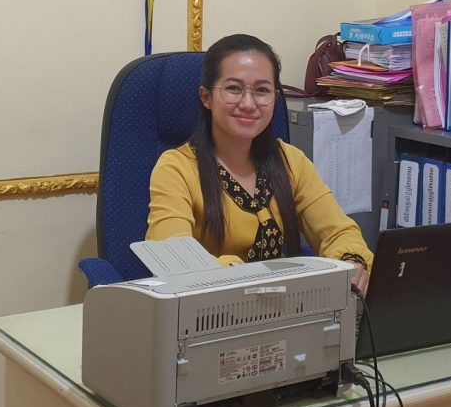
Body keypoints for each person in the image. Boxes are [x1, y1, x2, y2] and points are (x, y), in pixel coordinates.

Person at [147, 34, 373, 294]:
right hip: (209, 309)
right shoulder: (176, 168)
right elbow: (174, 259)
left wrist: (352, 262)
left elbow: (338, 231)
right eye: (233, 89)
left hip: (287, 308)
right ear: (206, 97)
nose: (248, 103)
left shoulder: (290, 161)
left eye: (262, 91)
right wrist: (246, 277)